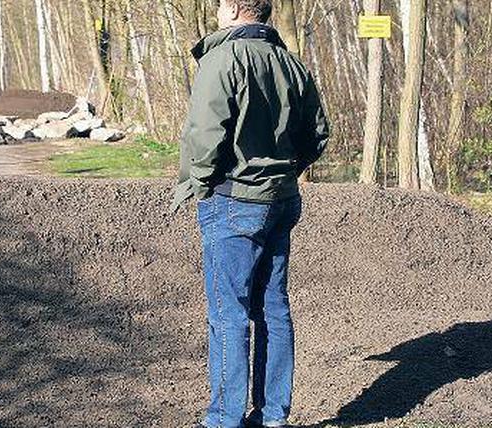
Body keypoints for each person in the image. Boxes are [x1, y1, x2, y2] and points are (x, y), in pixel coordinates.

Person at [171, 0, 330, 427]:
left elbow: (205, 132)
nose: (216, 10)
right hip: (281, 199)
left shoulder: (221, 58)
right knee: (274, 308)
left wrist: (198, 184)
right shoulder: (291, 63)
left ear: (235, 8)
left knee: (229, 312)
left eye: (220, 4)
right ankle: (273, 416)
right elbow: (317, 132)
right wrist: (287, 169)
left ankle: (224, 418)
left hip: (232, 198)